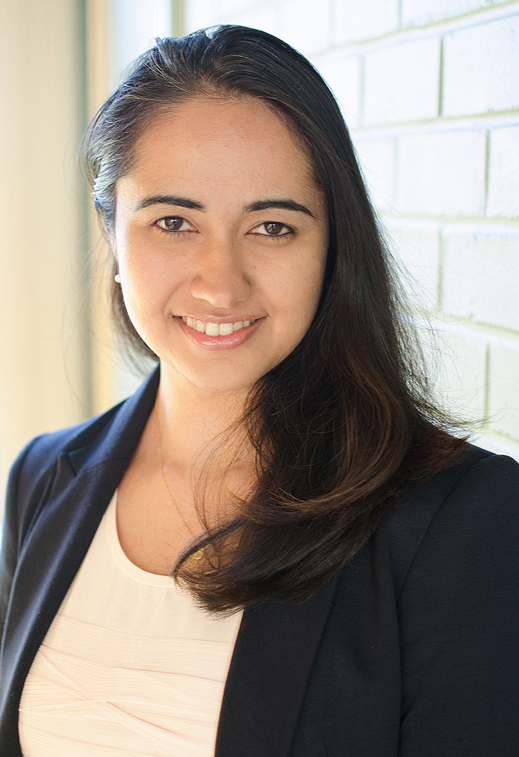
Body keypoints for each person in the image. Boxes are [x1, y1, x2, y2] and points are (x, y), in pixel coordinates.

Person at [0, 25, 518, 757]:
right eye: (174, 221)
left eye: (272, 226)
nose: (220, 282)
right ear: (112, 232)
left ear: (331, 246)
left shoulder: (460, 519)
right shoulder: (42, 479)